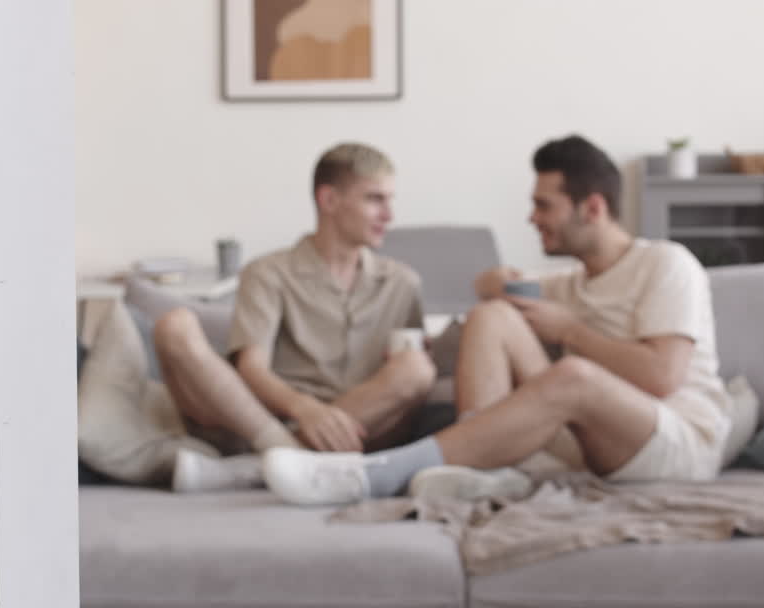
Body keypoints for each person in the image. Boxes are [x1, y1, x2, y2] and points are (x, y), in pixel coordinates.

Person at [263, 134, 733, 505]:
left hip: (675, 442)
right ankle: (478, 472)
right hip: (593, 442)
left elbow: (661, 376)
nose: (531, 218)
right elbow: (488, 286)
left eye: (544, 205)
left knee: (573, 376)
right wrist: (499, 285)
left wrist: (569, 331)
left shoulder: (666, 264)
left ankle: (374, 474)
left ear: (592, 208)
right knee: (492, 318)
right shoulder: (568, 283)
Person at [156, 142, 438, 492]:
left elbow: (409, 388)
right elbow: (252, 369)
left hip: (362, 428)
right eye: (374, 199)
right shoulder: (268, 273)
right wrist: (305, 409)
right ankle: (286, 451)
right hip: (272, 422)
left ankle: (262, 469)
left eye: (390, 200)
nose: (389, 216)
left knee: (418, 369)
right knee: (174, 325)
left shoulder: (402, 282)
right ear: (329, 200)